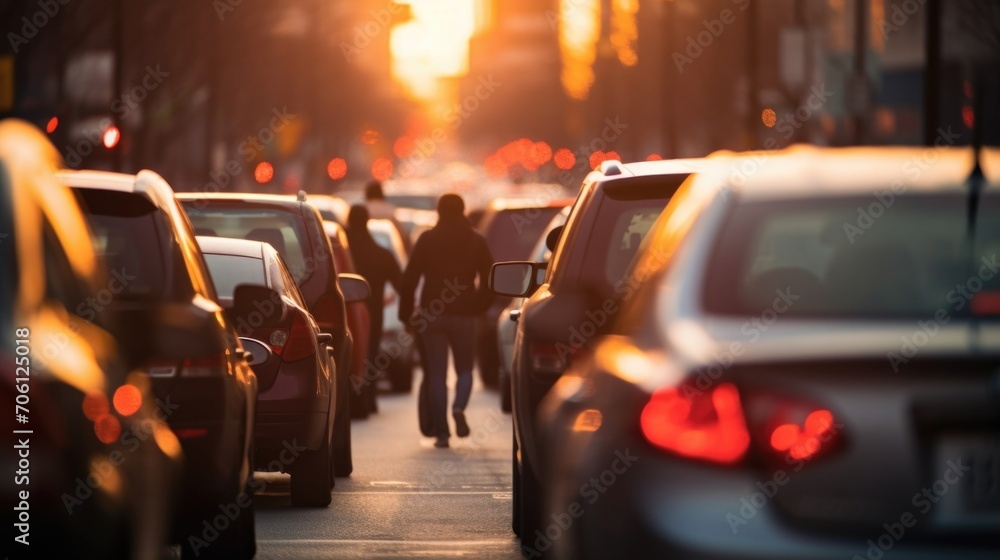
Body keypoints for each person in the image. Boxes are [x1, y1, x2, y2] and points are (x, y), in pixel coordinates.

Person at [398, 193, 494, 448]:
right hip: (465, 315)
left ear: (439, 212)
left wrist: (406, 315)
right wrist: (479, 308)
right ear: (462, 211)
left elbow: (409, 280)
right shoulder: (476, 241)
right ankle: (459, 406)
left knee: (437, 375)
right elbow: (490, 279)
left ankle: (442, 434)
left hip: (433, 315)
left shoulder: (427, 239)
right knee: (465, 370)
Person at [345, 205, 402, 402]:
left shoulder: (338, 253)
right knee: (370, 354)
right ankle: (367, 399)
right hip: (373, 314)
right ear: (367, 221)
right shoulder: (381, 254)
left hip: (341, 313)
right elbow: (402, 284)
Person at [364, 180, 408, 248]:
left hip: (365, 247)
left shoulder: (363, 209)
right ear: (381, 193)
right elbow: (400, 232)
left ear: (367, 194)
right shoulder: (390, 209)